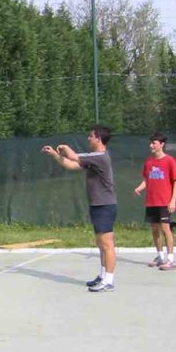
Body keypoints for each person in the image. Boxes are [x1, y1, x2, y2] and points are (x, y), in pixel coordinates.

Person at [41, 125, 118, 292]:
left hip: (105, 205)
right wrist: (55, 154)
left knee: (107, 244)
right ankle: (103, 275)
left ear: (98, 138)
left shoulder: (100, 156)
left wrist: (65, 147)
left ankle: (109, 281)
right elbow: (71, 164)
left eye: (91, 136)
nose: (88, 139)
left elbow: (73, 156)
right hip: (97, 205)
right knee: (101, 243)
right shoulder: (93, 158)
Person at [134, 132, 176, 270]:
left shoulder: (170, 161)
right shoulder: (148, 162)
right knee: (155, 229)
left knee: (166, 228)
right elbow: (146, 180)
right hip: (151, 202)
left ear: (162, 145)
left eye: (154, 143)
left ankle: (170, 260)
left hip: (164, 202)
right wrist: (139, 188)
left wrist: (173, 201)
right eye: (151, 143)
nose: (151, 145)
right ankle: (160, 257)